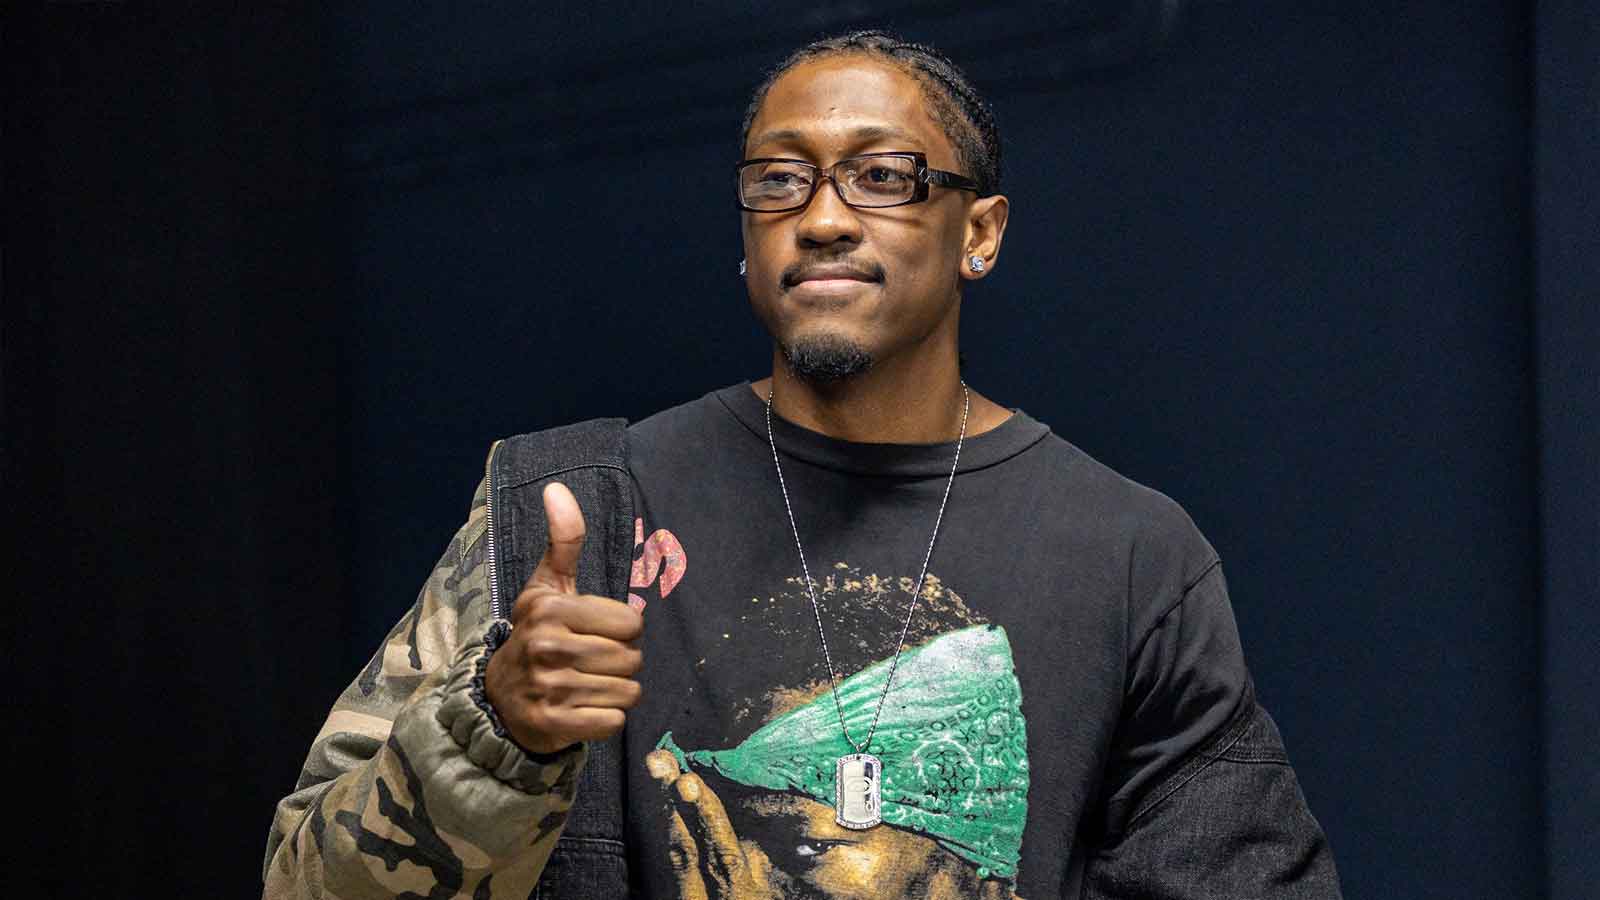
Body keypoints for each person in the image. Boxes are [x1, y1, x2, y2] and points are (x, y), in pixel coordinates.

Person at [263, 30, 1342, 899]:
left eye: (882, 176)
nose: (822, 218)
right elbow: (305, 885)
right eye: (779, 181)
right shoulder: (577, 512)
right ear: (746, 237)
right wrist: (496, 729)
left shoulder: (1126, 553)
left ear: (981, 232)